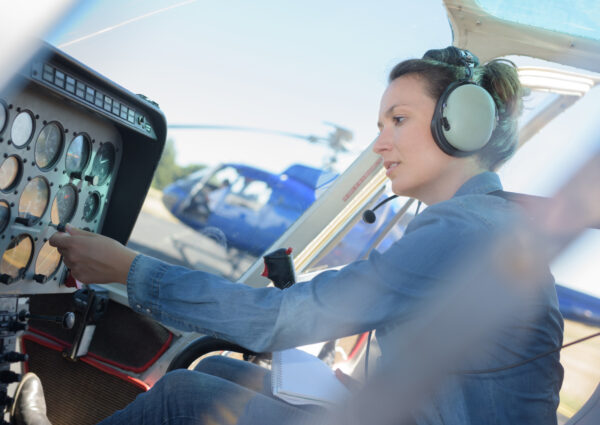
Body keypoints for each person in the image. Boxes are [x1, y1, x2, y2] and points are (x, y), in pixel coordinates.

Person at [15, 46, 563, 425]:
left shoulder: (465, 231)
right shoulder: (487, 223)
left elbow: (278, 321)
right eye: (379, 126)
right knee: (224, 368)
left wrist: (128, 270)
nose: (380, 144)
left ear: (458, 126)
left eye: (398, 119)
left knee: (187, 396)